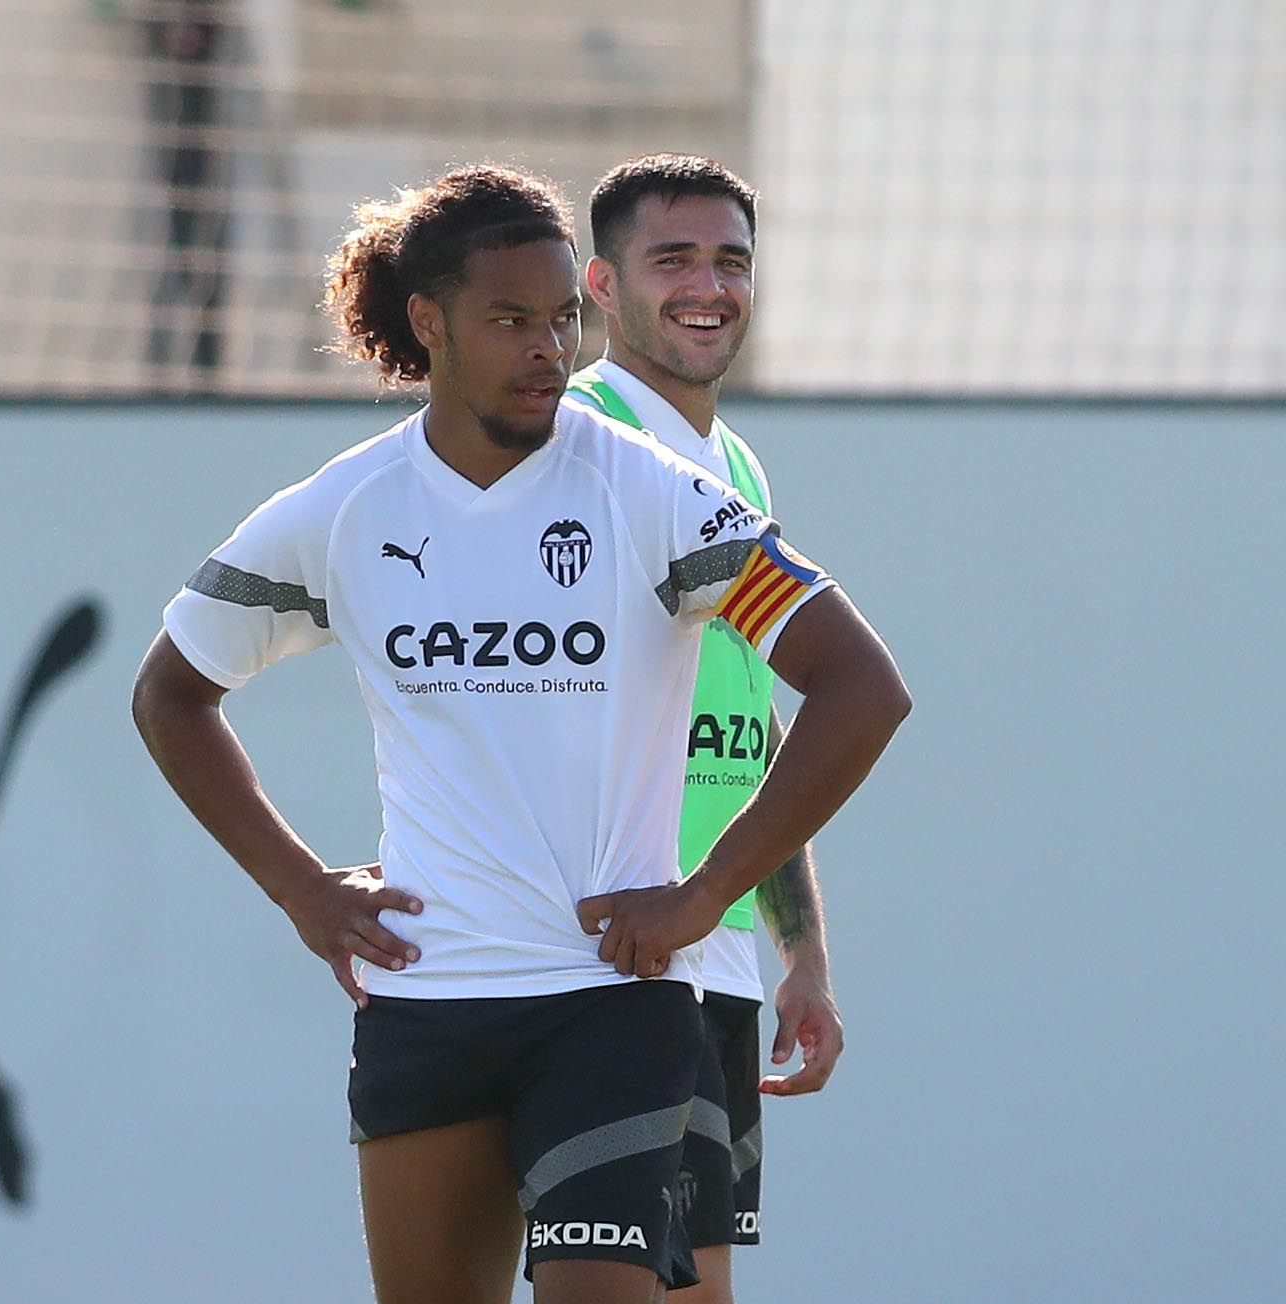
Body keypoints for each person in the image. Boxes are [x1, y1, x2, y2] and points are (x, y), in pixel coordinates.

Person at [132, 164, 910, 1304]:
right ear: (428, 323)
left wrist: (702, 896)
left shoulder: (657, 494)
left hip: (611, 1004)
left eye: (562, 320)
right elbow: (171, 693)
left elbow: (859, 686)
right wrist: (300, 887)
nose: (546, 347)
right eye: (510, 320)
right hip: (426, 1003)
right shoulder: (346, 508)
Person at [568, 153, 838, 1303]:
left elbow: (757, 724)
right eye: (670, 258)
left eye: (730, 260)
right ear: (598, 282)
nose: (707, 286)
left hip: (711, 939)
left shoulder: (730, 463)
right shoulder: (570, 445)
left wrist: (801, 947)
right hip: (609, 938)